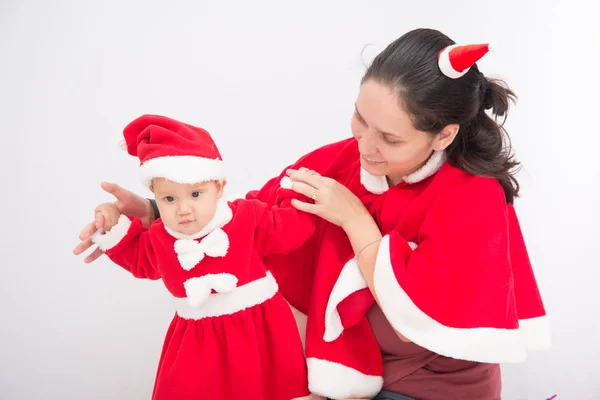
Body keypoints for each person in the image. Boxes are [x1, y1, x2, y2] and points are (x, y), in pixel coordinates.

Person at [74, 28, 550, 400]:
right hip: (347, 369)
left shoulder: (474, 196)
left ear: (442, 136)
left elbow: (427, 308)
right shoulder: (346, 158)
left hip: (432, 386)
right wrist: (158, 212)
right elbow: (252, 215)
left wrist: (353, 218)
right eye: (361, 119)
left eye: (390, 139)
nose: (365, 147)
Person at [87, 114, 315, 400]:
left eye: (195, 194)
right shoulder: (160, 236)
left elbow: (289, 230)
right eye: (169, 199)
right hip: (197, 343)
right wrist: (112, 227)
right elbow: (138, 259)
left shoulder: (247, 216)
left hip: (261, 333)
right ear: (155, 196)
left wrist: (298, 195)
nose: (183, 209)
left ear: (218, 187)